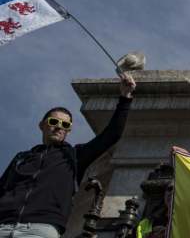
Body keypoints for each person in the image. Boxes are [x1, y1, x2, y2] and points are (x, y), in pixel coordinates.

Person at [0, 72, 136, 238]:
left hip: (40, 229)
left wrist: (125, 97)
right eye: (53, 122)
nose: (58, 127)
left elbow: (112, 135)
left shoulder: (75, 156)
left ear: (68, 130)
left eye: (65, 124)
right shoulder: (21, 157)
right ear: (42, 125)